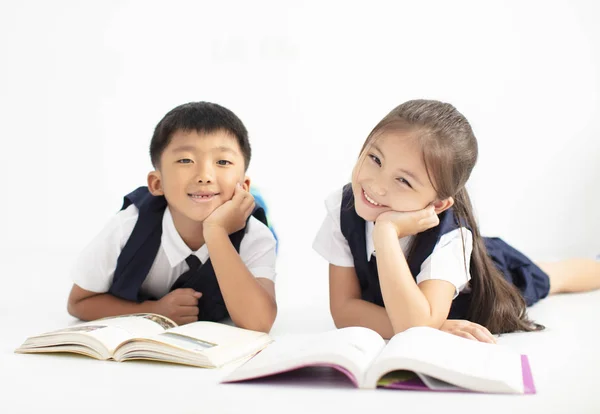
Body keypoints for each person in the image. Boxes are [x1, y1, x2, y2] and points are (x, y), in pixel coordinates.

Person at [313, 99, 600, 343]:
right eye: (375, 159)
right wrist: (431, 327)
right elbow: (344, 311)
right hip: (403, 308)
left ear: (437, 204)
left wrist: (386, 233)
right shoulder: (345, 206)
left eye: (403, 180)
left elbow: (413, 329)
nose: (377, 185)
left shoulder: (450, 238)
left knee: (553, 276)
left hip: (492, 275)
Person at [67, 102, 277, 332]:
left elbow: (259, 323)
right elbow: (79, 303)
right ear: (157, 184)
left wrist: (216, 232)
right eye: (185, 160)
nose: (204, 175)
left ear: (244, 187)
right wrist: (153, 311)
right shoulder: (127, 227)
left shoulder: (254, 236)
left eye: (223, 162)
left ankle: (258, 199)